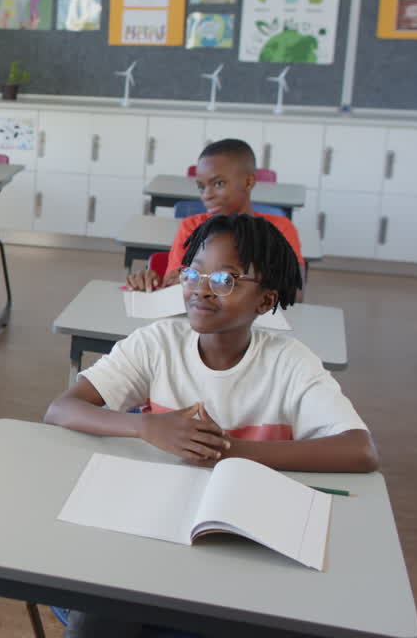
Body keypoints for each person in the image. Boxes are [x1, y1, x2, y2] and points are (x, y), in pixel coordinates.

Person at [46, 214, 379, 636]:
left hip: (246, 537)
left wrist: (231, 452)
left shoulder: (289, 363)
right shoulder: (158, 344)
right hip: (159, 521)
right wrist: (147, 428)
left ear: (264, 300)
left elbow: (360, 450)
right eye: (193, 273)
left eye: (226, 279)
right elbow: (62, 408)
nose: (201, 288)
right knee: (101, 611)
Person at [127, 139, 303, 292]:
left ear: (249, 182)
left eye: (218, 184)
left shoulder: (279, 229)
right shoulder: (192, 227)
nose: (206, 195)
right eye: (202, 187)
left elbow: (295, 291)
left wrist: (203, 281)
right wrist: (153, 282)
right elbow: (176, 283)